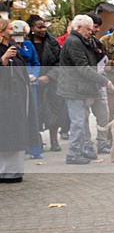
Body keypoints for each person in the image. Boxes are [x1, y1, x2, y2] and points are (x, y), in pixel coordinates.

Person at [57, 15, 113, 165]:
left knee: (80, 121)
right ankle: (73, 154)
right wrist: (104, 81)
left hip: (80, 88)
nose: (91, 32)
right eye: (88, 29)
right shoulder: (73, 42)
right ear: (78, 27)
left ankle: (80, 151)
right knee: (77, 123)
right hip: (73, 88)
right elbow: (83, 67)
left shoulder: (83, 41)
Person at [0, 19, 38, 182]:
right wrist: (3, 60)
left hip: (19, 99)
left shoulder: (15, 48)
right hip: (5, 100)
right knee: (7, 133)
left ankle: (14, 171)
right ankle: (5, 171)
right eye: (10, 28)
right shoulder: (5, 51)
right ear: (1, 31)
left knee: (17, 131)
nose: (14, 31)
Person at [27, 15, 65, 152]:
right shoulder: (25, 43)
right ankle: (37, 140)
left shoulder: (52, 42)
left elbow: (60, 63)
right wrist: (33, 78)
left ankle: (54, 140)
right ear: (31, 28)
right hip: (32, 82)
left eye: (44, 26)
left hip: (51, 82)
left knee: (53, 111)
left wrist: (49, 77)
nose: (43, 29)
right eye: (39, 27)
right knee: (34, 111)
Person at [10, 20, 43, 159]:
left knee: (32, 113)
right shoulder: (9, 47)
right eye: (17, 33)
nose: (19, 36)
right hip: (16, 82)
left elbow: (36, 62)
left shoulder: (28, 45)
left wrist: (34, 75)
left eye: (22, 33)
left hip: (31, 83)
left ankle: (35, 149)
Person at [82, 14, 111, 155]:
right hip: (85, 87)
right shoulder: (78, 44)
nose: (97, 30)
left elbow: (103, 61)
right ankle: (87, 145)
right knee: (84, 118)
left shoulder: (97, 43)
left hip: (99, 86)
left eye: (98, 27)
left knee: (104, 115)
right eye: (94, 26)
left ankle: (103, 143)